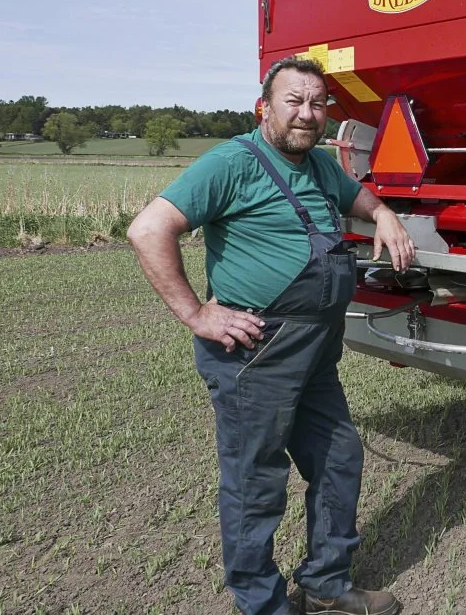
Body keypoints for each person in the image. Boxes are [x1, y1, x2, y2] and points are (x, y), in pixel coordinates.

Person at [127, 57, 414, 615]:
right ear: (265, 108)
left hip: (314, 353)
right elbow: (148, 229)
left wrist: (383, 215)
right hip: (255, 354)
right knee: (255, 482)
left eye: (318, 103)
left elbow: (356, 196)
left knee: (339, 459)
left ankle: (327, 581)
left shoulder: (319, 165)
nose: (307, 114)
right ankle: (261, 603)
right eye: (294, 101)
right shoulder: (232, 163)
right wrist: (197, 314)